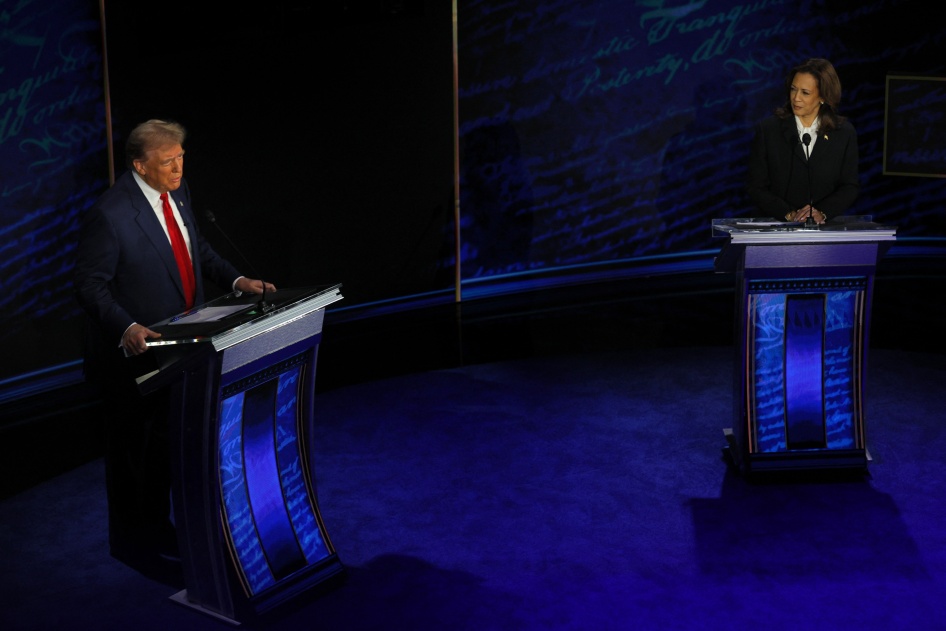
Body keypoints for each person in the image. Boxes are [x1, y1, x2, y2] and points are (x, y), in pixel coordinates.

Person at [73, 119, 275, 582]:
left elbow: (195, 249)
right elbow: (89, 285)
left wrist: (238, 281)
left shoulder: (177, 193)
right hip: (134, 358)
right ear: (140, 164)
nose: (178, 168)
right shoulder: (111, 214)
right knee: (132, 454)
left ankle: (157, 528)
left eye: (181, 158)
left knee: (165, 448)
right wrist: (125, 325)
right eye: (168, 162)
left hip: (183, 348)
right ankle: (131, 544)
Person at [747, 58, 859, 224]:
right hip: (778, 228)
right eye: (793, 90)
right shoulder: (769, 130)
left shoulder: (843, 133)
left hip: (823, 233)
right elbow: (755, 186)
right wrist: (790, 214)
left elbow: (850, 186)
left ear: (823, 96)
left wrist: (822, 212)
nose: (796, 98)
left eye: (805, 93)